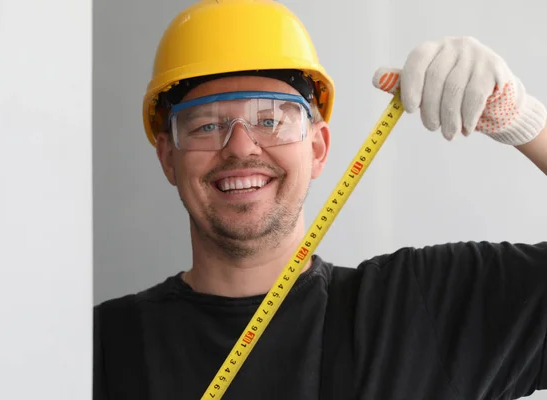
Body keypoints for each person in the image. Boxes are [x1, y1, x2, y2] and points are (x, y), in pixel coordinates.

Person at [93, 1, 547, 399]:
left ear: (317, 148)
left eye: (270, 119)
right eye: (206, 126)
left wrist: (529, 126)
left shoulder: (421, 312)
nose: (240, 147)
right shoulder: (99, 350)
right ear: (168, 158)